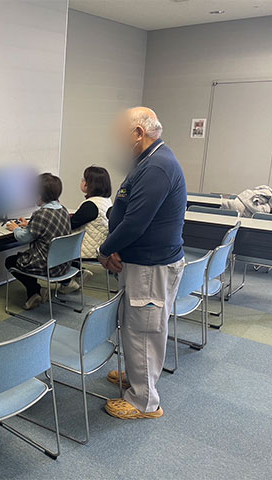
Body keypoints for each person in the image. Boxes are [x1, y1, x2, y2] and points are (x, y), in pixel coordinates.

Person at [98, 106, 186, 420]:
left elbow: (135, 222)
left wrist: (105, 251)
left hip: (150, 267)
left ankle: (144, 401)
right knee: (134, 327)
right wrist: (116, 246)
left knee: (144, 331)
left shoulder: (157, 166)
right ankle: (138, 377)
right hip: (141, 262)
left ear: (139, 133)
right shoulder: (148, 161)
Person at [5, 173, 72, 310]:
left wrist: (15, 228)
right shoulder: (63, 210)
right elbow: (46, 227)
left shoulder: (41, 214)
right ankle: (36, 292)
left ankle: (35, 291)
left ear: (39, 195)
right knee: (29, 256)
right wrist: (29, 225)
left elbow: (24, 238)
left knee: (10, 261)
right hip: (63, 264)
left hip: (47, 266)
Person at [59, 166, 113, 294]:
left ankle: (69, 281)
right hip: (99, 245)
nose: (82, 182)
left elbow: (70, 225)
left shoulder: (91, 205)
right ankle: (78, 273)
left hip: (87, 250)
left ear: (90, 184)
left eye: (84, 179)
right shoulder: (105, 201)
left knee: (54, 246)